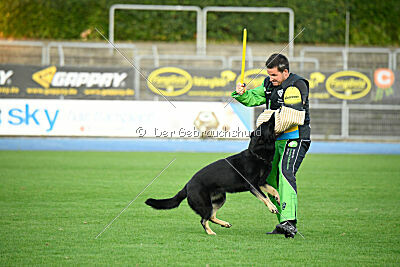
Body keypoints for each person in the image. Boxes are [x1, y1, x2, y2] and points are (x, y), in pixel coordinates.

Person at [231, 53, 311, 238]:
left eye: (274, 75)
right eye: (269, 74)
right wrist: (241, 94)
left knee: (285, 172)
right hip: (274, 142)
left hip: (296, 138)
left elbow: (293, 114)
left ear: (285, 72)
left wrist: (268, 119)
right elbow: (253, 98)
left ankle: (290, 222)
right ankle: (282, 222)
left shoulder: (298, 85)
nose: (271, 79)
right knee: (271, 179)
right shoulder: (268, 84)